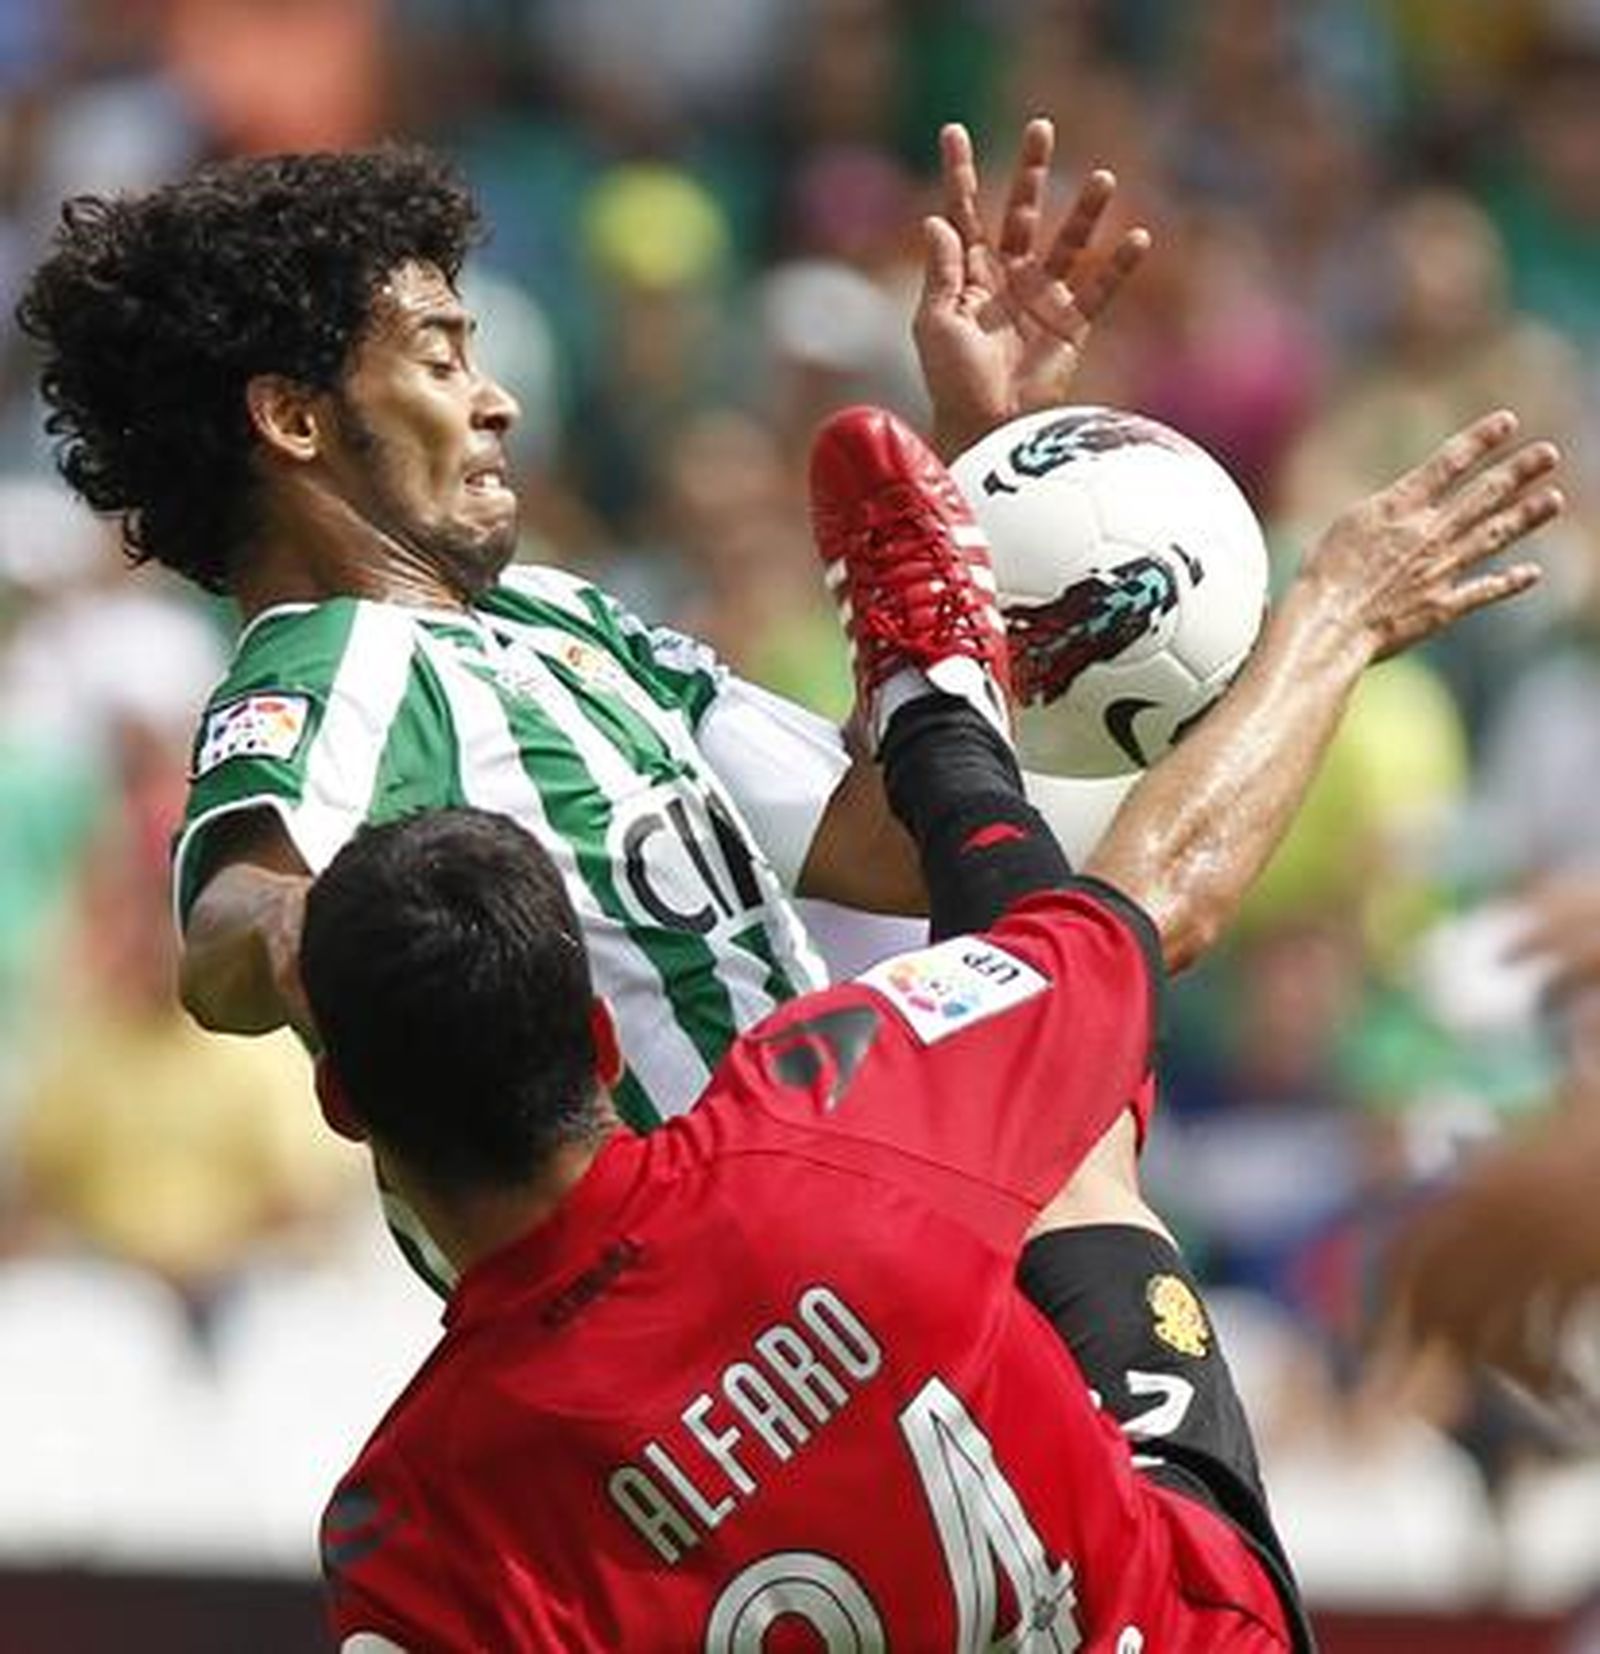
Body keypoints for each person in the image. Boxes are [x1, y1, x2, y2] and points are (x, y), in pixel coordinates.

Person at [305, 401, 1557, 1650]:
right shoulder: (815, 1113)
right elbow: (1150, 906)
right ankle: (938, 698)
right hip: (1186, 1626)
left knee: (1036, 1065)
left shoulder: (411, 1523)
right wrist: (1339, 611)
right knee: (1063, 1119)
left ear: (342, 1102)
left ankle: (943, 695)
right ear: (600, 1037)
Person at [17, 127, 1147, 1286]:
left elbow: (890, 847)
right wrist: (303, 929)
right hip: (680, 1317)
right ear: (294, 422)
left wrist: (986, 464)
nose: (496, 400)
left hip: (833, 1242)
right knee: (1117, 986)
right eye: (440, 359)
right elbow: (224, 941)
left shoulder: (559, 620)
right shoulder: (327, 665)